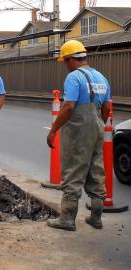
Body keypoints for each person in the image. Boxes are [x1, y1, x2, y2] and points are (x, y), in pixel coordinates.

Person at [46, 40, 110, 231]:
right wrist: (97, 125)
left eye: (65, 62)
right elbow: (106, 108)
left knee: (73, 170)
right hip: (98, 127)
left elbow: (68, 106)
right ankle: (96, 217)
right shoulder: (101, 77)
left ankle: (66, 219)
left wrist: (53, 130)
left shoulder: (74, 77)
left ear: (70, 59)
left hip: (78, 130)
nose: (66, 66)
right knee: (95, 170)